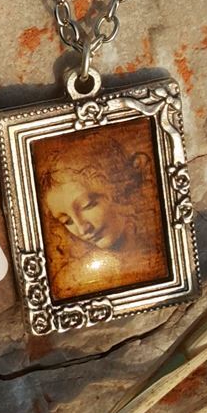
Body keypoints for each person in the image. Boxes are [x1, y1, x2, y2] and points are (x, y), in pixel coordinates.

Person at [33, 120, 170, 301]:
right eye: (67, 221)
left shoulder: (161, 251)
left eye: (88, 205)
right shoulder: (74, 281)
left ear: (119, 189)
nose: (82, 229)